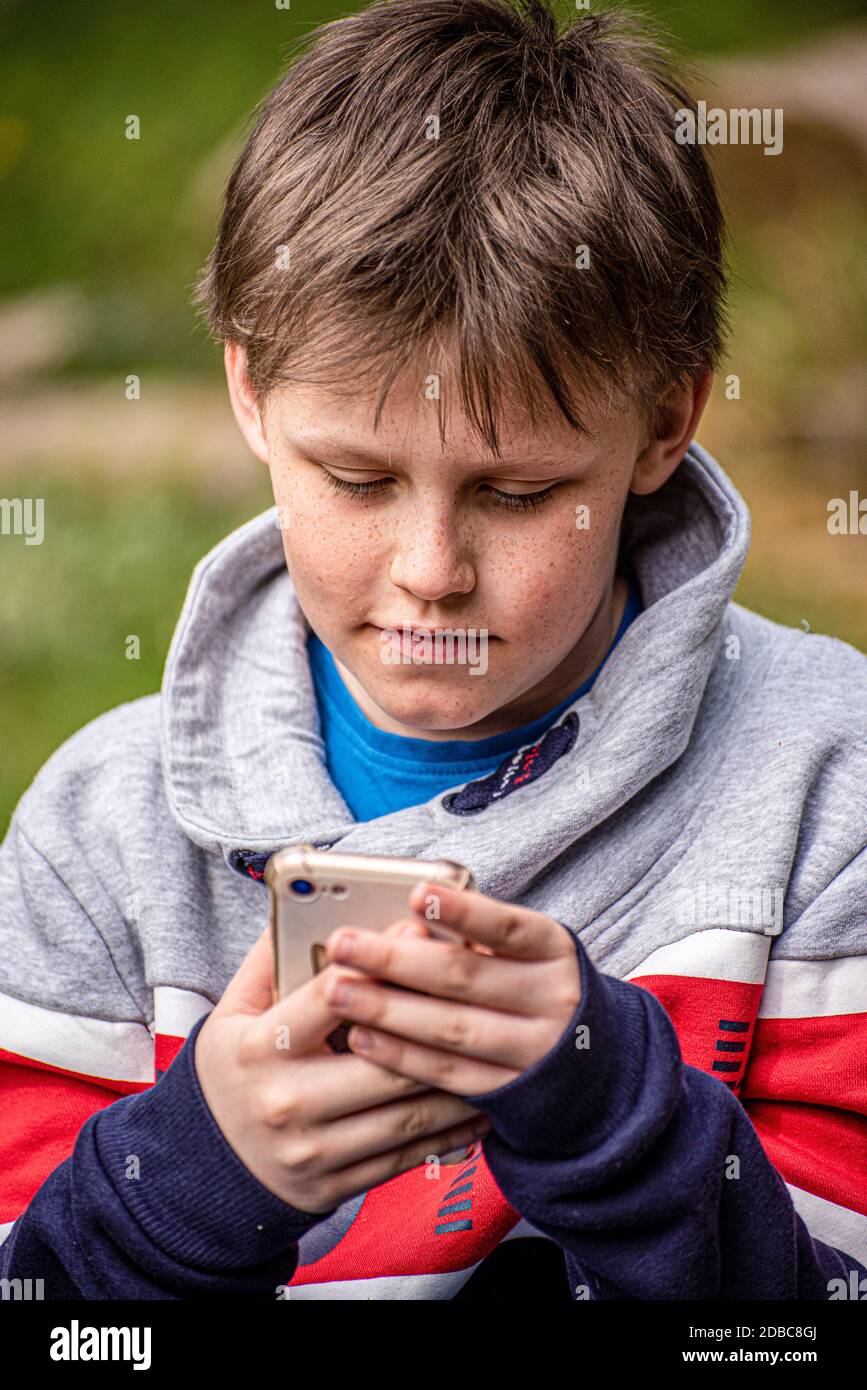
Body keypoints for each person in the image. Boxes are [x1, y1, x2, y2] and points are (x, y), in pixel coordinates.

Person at [1, 0, 864, 1301]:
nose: (431, 568)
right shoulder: (97, 843)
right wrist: (179, 1180)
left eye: (517, 493)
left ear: (667, 420)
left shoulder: (828, 787)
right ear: (247, 393)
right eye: (355, 476)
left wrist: (626, 1118)